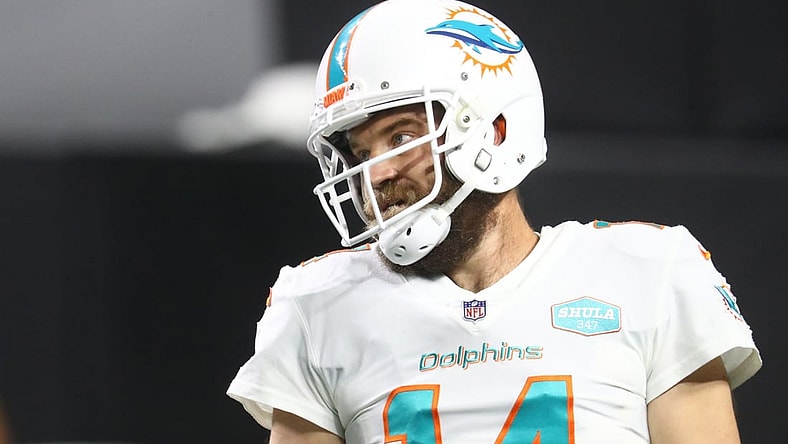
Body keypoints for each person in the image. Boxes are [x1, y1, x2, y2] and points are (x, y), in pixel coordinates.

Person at [227, 0, 762, 442]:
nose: (377, 173)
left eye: (401, 136)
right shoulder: (319, 305)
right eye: (360, 153)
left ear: (496, 129)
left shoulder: (651, 272)